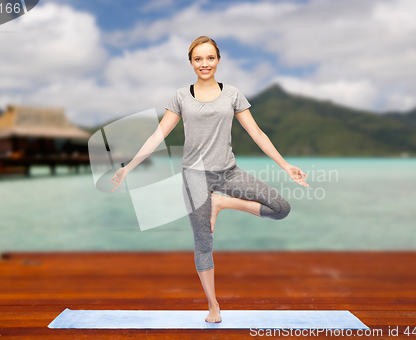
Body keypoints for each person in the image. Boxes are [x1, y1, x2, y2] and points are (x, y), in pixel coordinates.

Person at [111, 36, 309, 323]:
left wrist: (285, 165)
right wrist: (128, 167)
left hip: (229, 172)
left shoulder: (233, 94)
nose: (205, 64)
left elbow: (257, 133)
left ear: (218, 59)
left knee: (281, 208)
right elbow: (158, 136)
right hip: (195, 178)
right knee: (203, 243)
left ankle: (223, 203)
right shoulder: (180, 96)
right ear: (191, 63)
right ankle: (213, 305)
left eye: (210, 58)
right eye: (198, 59)